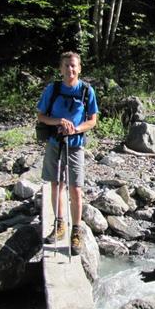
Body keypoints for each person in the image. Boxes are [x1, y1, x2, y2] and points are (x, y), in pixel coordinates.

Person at [37, 51, 98, 254]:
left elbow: (92, 120)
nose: (70, 69)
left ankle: (76, 230)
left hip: (75, 144)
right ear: (61, 68)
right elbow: (41, 116)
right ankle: (60, 224)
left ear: (79, 68)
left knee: (76, 188)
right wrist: (59, 122)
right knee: (56, 183)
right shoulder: (52, 89)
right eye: (66, 66)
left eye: (73, 66)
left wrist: (76, 128)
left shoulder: (87, 91)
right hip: (55, 142)